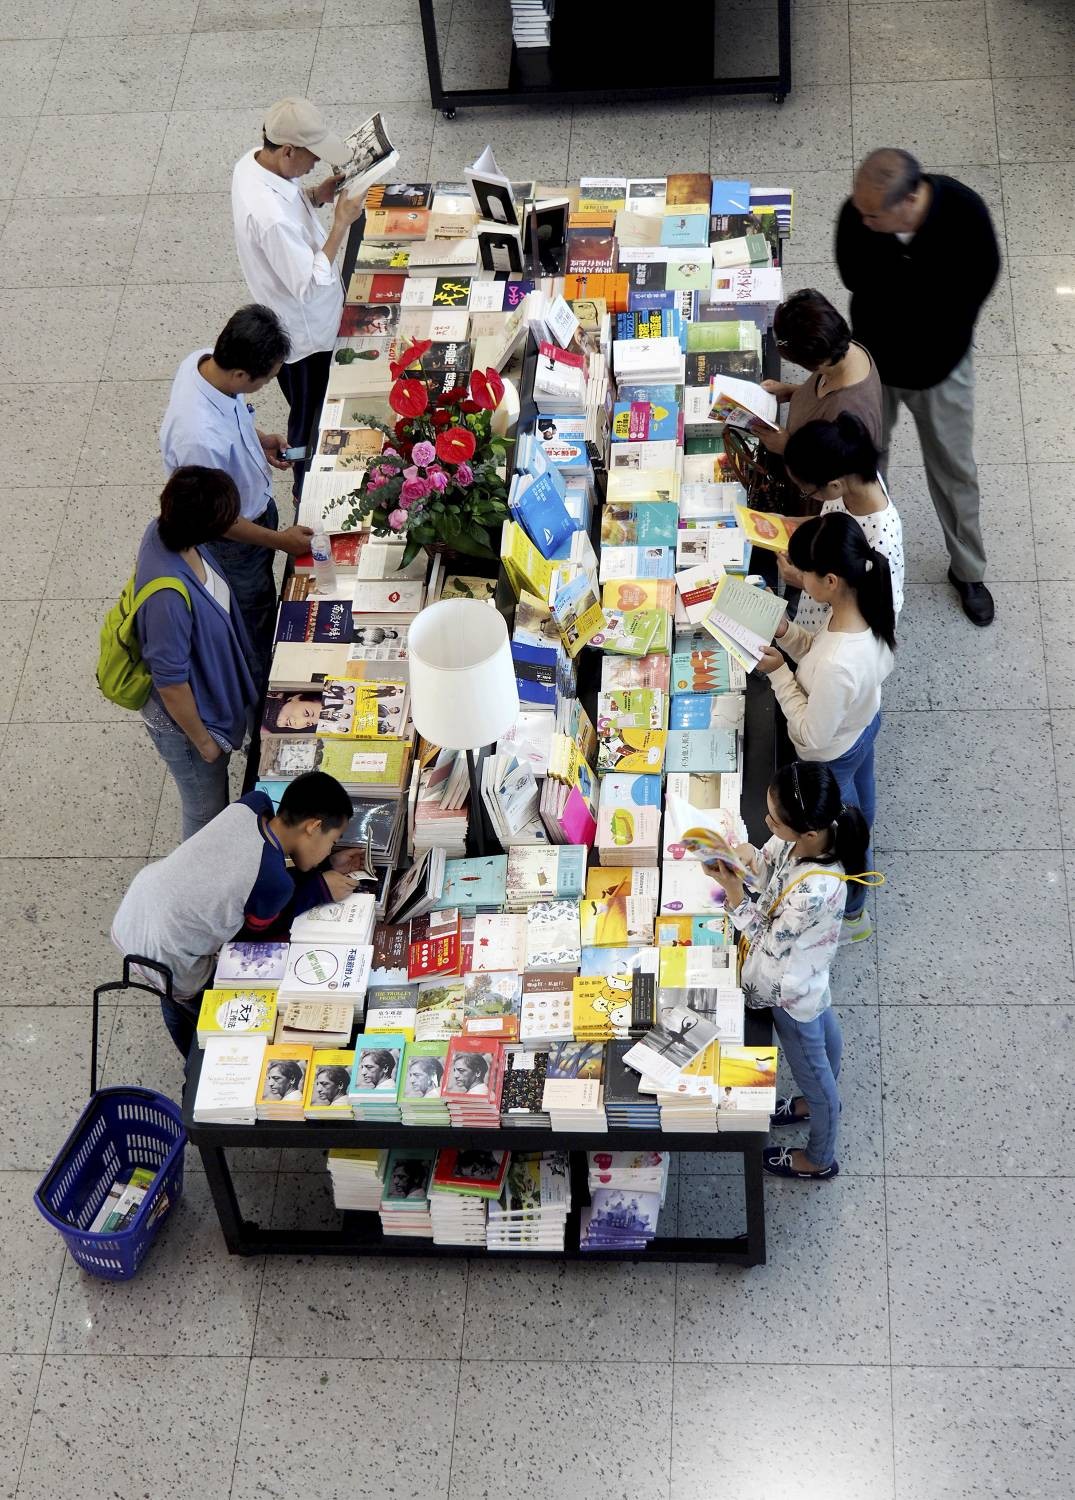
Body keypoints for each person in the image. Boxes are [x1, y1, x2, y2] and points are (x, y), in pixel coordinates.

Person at [836, 148, 1000, 626]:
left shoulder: (964, 213)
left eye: (873, 216)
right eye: (861, 211)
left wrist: (917, 307)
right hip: (873, 367)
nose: (862, 222)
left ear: (908, 200)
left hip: (940, 368)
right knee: (864, 463)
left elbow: (979, 283)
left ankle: (968, 570)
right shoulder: (859, 213)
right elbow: (852, 274)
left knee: (954, 469)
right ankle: (865, 556)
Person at [111, 771, 364, 1057]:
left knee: (166, 989)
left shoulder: (252, 806)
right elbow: (249, 937)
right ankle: (194, 1060)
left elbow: (249, 866)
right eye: (332, 841)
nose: (329, 849)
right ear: (313, 826)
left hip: (137, 912)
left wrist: (326, 865)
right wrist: (319, 889)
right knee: (200, 1017)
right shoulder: (274, 882)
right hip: (173, 955)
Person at [709, 762, 872, 1181]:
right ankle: (812, 1102)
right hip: (810, 977)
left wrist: (734, 895)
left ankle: (819, 1157)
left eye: (775, 822)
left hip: (790, 991)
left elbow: (768, 939)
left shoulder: (817, 889)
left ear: (809, 833)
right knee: (825, 1038)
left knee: (814, 1072)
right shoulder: (805, 838)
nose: (768, 825)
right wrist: (748, 863)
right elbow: (771, 875)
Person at [755, 511, 896, 946]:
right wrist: (786, 631)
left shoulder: (839, 665)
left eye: (803, 573)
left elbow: (810, 736)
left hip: (833, 752)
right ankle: (862, 827)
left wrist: (779, 673)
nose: (797, 577)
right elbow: (819, 653)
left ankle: (854, 912)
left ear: (831, 581)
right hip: (863, 725)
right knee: (860, 804)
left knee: (845, 830)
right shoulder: (864, 609)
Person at [159, 304, 313, 685]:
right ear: (242, 374)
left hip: (253, 505)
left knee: (264, 598)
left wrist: (259, 439)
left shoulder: (205, 362)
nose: (265, 384)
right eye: (266, 379)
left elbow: (235, 413)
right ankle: (261, 691)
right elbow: (220, 521)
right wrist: (281, 541)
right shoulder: (199, 440)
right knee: (255, 619)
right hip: (234, 541)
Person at [231, 97, 366, 493]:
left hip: (301, 318)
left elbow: (290, 204)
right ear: (287, 150)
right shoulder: (269, 217)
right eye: (312, 154)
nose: (317, 162)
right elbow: (308, 282)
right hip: (307, 338)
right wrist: (340, 224)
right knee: (310, 416)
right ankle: (304, 489)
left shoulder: (251, 163)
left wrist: (316, 195)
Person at [135, 466, 259, 841]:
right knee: (207, 813)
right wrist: (204, 742)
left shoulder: (168, 529)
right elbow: (171, 684)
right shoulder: (166, 598)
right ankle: (199, 875)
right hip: (187, 726)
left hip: (213, 694)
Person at [782, 414, 905, 631]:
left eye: (807, 492)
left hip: (831, 628)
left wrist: (802, 580)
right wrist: (787, 522)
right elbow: (828, 520)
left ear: (834, 485)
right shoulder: (854, 475)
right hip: (815, 605)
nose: (808, 496)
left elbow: (878, 611)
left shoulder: (881, 540)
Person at [757, 288, 883, 455]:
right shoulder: (840, 348)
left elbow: (833, 467)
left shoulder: (849, 411)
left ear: (814, 361)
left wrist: (787, 447)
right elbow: (822, 396)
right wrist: (791, 391)